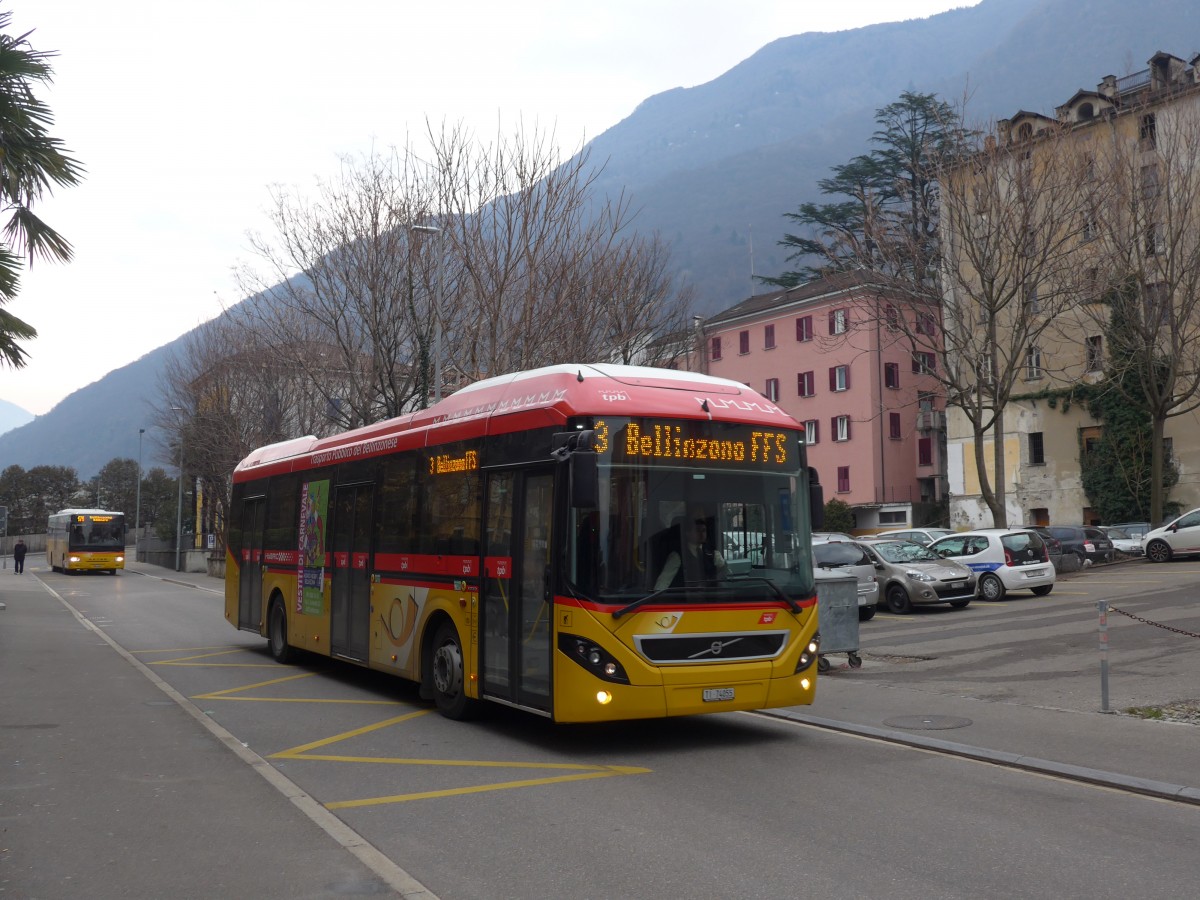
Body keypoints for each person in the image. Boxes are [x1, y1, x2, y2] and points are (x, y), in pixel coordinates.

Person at [654, 515, 726, 590]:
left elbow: (725, 575)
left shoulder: (714, 554)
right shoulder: (677, 556)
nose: (702, 534)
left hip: (711, 599)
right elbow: (663, 582)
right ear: (687, 533)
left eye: (704, 530)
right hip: (686, 599)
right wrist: (657, 598)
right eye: (698, 530)